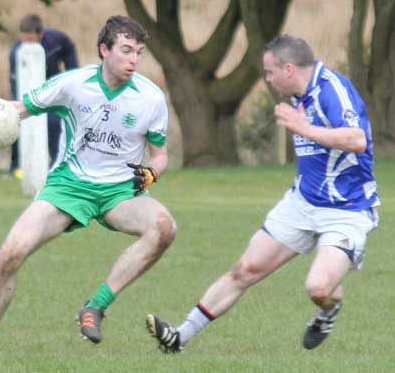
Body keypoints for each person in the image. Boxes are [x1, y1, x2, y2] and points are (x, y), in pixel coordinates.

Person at [146, 34, 380, 353]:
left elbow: (356, 140)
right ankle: (179, 337)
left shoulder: (332, 91)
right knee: (245, 270)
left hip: (347, 209)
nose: (267, 79)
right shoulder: (300, 95)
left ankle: (329, 308)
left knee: (318, 287)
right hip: (303, 202)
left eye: (269, 72)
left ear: (288, 69)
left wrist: (304, 128)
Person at [0, 15, 176, 353]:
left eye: (139, 52)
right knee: (9, 255)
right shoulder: (74, 84)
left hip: (121, 191)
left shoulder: (151, 98)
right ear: (104, 50)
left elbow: (161, 154)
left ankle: (95, 307)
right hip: (68, 187)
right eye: (126, 50)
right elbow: (21, 109)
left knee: (164, 228)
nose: (133, 59)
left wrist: (152, 172)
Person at [8, 14, 79, 177]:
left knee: (54, 124)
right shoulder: (16, 52)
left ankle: (55, 166)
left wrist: (72, 79)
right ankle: (15, 167)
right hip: (30, 90)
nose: (29, 45)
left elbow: (70, 55)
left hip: (53, 89)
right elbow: (14, 81)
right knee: (16, 122)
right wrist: (20, 106)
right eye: (25, 40)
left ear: (41, 34)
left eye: (32, 40)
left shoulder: (57, 40)